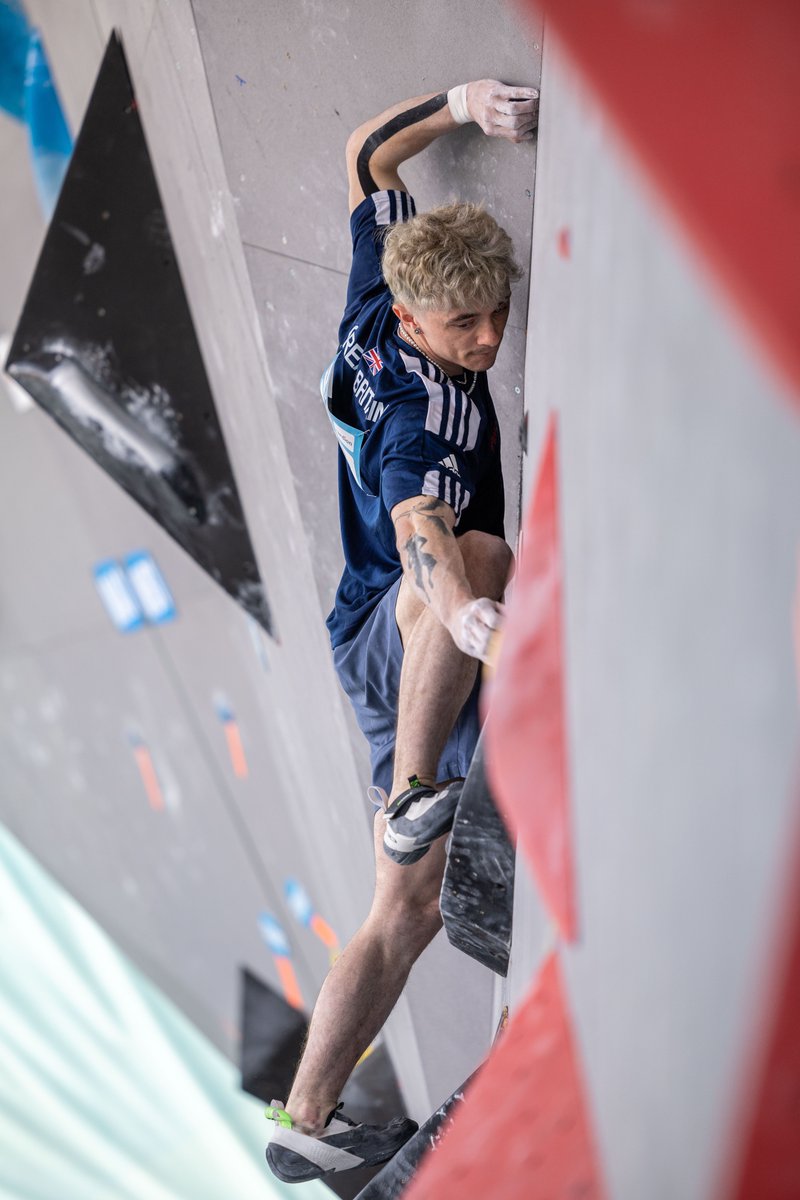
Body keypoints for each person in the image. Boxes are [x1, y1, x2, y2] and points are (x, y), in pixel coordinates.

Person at [265, 77, 538, 1185]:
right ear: (417, 321)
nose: (483, 340)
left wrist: (458, 104)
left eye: (494, 315)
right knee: (479, 553)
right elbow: (421, 525)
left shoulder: (377, 292)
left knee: (408, 907)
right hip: (401, 625)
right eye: (462, 326)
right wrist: (475, 609)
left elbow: (370, 153)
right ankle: (413, 792)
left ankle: (304, 1123)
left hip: (385, 641)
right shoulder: (420, 414)